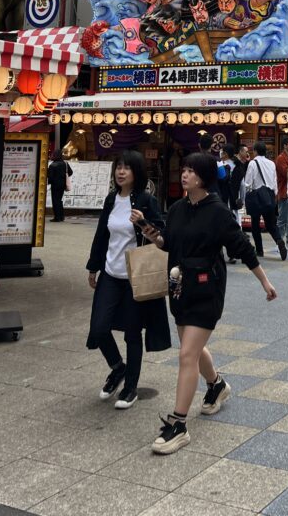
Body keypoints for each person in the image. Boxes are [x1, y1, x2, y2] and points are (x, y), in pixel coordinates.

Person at [139, 152, 277, 454]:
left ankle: (178, 424)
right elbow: (169, 243)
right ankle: (216, 385)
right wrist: (153, 236)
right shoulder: (177, 208)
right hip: (180, 287)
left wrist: (265, 282)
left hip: (207, 290)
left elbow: (243, 248)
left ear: (203, 177)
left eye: (191, 171)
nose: (184, 174)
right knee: (192, 348)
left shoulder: (218, 212)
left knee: (187, 354)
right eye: (184, 169)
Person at [86, 151, 171, 410]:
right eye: (118, 167)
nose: (121, 172)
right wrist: (93, 267)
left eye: (126, 168)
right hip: (110, 273)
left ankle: (131, 387)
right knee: (99, 328)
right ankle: (118, 368)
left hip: (135, 276)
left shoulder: (146, 200)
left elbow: (161, 236)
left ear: (137, 172)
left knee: (133, 334)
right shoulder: (111, 199)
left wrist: (143, 223)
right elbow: (102, 234)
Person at [244, 142, 288, 260]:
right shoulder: (271, 163)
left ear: (255, 151)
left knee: (255, 224)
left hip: (256, 196)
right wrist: (274, 195)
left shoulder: (253, 163)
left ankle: (259, 250)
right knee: (271, 224)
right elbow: (274, 180)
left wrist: (246, 195)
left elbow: (248, 182)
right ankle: (279, 240)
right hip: (269, 196)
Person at [275, 135, 288, 250]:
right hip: (284, 192)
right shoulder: (281, 158)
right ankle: (280, 242)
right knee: (282, 219)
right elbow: (287, 174)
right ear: (284, 146)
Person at [47, 149, 72, 222]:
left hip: (55, 185)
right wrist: (63, 176)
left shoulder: (52, 165)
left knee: (55, 201)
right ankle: (61, 216)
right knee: (59, 200)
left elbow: (50, 177)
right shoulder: (65, 163)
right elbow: (70, 172)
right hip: (63, 185)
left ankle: (57, 217)